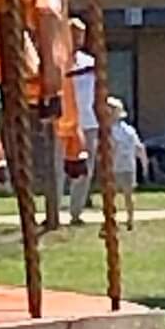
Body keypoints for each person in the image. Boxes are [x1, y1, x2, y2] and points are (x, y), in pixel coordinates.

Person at [64, 19, 99, 224]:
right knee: (59, 166)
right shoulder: (57, 61)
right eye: (74, 34)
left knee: (85, 167)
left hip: (88, 122)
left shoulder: (90, 63)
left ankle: (76, 212)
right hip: (64, 122)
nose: (78, 39)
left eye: (81, 35)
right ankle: (53, 210)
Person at [106, 98, 149, 232]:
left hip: (115, 166)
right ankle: (129, 219)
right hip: (128, 166)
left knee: (112, 195)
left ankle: (115, 219)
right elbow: (139, 148)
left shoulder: (109, 131)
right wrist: (144, 164)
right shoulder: (129, 130)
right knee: (128, 194)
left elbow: (109, 148)